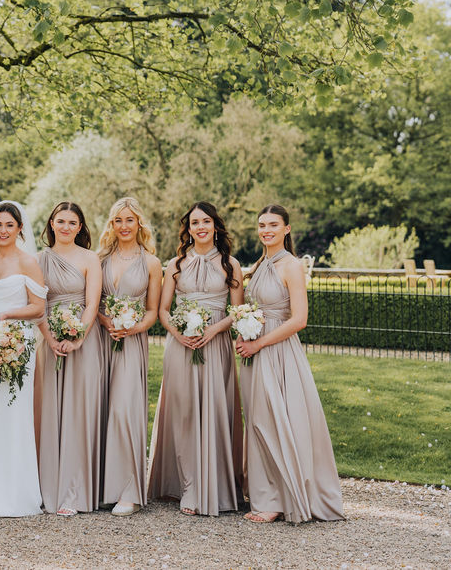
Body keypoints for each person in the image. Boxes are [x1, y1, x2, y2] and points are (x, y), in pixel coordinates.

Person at [237, 205, 344, 524]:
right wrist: (244, 332)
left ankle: (281, 498)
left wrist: (258, 342)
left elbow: (299, 319)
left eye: (273, 225)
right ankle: (267, 492)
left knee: (275, 421)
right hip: (254, 353)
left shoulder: (292, 265)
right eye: (261, 225)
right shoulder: (259, 264)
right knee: (257, 422)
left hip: (279, 353)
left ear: (286, 229)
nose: (266, 230)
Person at [148, 201, 244, 516]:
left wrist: (214, 330)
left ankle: (214, 485)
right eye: (194, 223)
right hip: (181, 346)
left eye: (205, 221)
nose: (200, 227)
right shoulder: (175, 264)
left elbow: (237, 311)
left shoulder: (231, 264)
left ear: (215, 225)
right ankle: (188, 485)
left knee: (215, 411)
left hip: (215, 346)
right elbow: (162, 310)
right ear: (188, 229)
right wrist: (178, 334)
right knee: (185, 412)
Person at [0, 201, 47, 516]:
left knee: (15, 415)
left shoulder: (28, 262)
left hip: (17, 344)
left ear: (19, 229)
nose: (3, 231)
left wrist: (7, 314)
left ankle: (18, 493)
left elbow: (38, 308)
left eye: (9, 225)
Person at [35, 201, 103, 517]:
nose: (65, 227)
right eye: (60, 221)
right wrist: (50, 338)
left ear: (80, 227)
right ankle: (44, 486)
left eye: (72, 222)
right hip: (47, 340)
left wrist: (77, 338)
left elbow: (91, 304)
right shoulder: (38, 259)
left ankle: (74, 491)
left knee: (78, 411)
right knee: (48, 411)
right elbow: (37, 305)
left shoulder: (90, 258)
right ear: (51, 223)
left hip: (83, 342)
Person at [95, 197, 162, 516]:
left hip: (132, 344)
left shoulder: (151, 263)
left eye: (129, 220)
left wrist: (131, 329)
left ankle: (129, 491)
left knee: (124, 411)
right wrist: (107, 321)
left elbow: (153, 312)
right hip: (101, 340)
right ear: (112, 224)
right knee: (101, 410)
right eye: (118, 220)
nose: (123, 225)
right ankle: (103, 487)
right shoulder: (101, 259)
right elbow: (93, 303)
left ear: (139, 224)